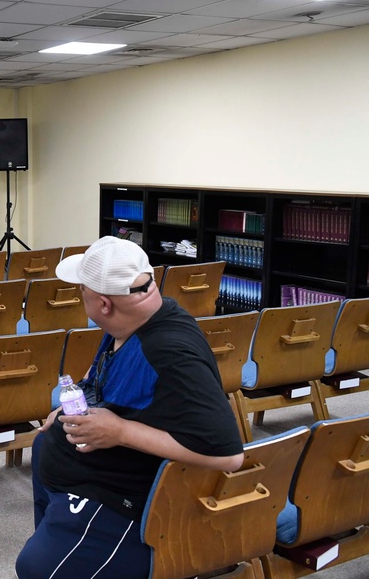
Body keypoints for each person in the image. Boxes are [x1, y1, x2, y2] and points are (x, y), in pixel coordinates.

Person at [15, 236, 244, 578]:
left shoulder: (170, 353)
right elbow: (99, 375)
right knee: (45, 445)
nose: (82, 298)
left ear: (104, 304)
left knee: (35, 569)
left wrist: (121, 431)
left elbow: (229, 455)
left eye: (84, 293)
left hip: (123, 497)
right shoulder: (131, 318)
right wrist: (73, 404)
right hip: (86, 476)